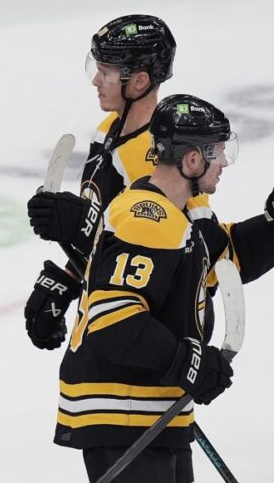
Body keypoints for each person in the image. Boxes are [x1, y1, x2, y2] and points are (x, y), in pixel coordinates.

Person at [54, 94, 271, 482]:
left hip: (147, 412)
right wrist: (190, 362)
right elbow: (114, 321)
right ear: (191, 160)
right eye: (217, 153)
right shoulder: (147, 217)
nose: (223, 163)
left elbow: (227, 257)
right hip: (122, 411)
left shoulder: (172, 218)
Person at [24, 14, 274, 350]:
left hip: (149, 336)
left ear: (139, 81)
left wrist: (81, 226)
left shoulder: (157, 158)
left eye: (106, 72)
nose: (95, 80)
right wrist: (68, 277)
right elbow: (114, 232)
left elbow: (199, 253)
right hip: (108, 319)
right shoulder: (108, 132)